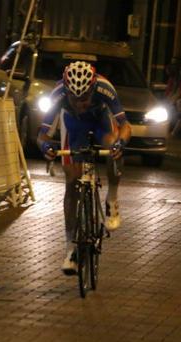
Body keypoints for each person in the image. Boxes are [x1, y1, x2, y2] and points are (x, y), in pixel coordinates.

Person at [37, 61, 131, 275]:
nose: (81, 104)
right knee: (71, 182)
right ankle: (71, 248)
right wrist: (45, 147)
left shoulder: (105, 88)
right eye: (75, 99)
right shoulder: (58, 94)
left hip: (100, 122)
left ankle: (112, 199)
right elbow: (42, 135)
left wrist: (121, 143)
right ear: (67, 92)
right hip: (74, 126)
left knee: (114, 148)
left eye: (85, 98)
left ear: (92, 89)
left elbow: (125, 126)